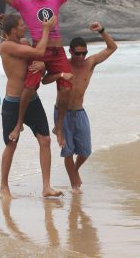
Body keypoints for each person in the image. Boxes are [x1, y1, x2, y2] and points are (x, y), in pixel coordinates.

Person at [0, 0, 82, 148]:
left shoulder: (55, 0)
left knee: (67, 89)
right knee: (30, 87)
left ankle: (58, 126)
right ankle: (19, 123)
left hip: (57, 52)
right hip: (39, 51)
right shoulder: (24, 4)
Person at [42, 22, 117, 193]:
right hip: (62, 112)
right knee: (67, 151)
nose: (81, 57)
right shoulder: (63, 64)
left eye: (84, 53)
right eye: (78, 53)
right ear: (71, 52)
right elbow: (44, 80)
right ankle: (74, 184)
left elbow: (112, 48)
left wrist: (102, 31)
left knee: (85, 151)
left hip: (79, 111)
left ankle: (74, 171)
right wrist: (60, 74)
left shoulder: (90, 63)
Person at [0, 13, 63, 199]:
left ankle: (46, 187)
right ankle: (4, 186)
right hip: (13, 101)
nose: (24, 27)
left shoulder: (24, 43)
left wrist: (42, 65)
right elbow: (39, 52)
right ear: (12, 31)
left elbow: (36, 60)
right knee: (11, 143)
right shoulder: (7, 46)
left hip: (32, 99)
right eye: (21, 25)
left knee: (45, 140)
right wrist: (45, 29)